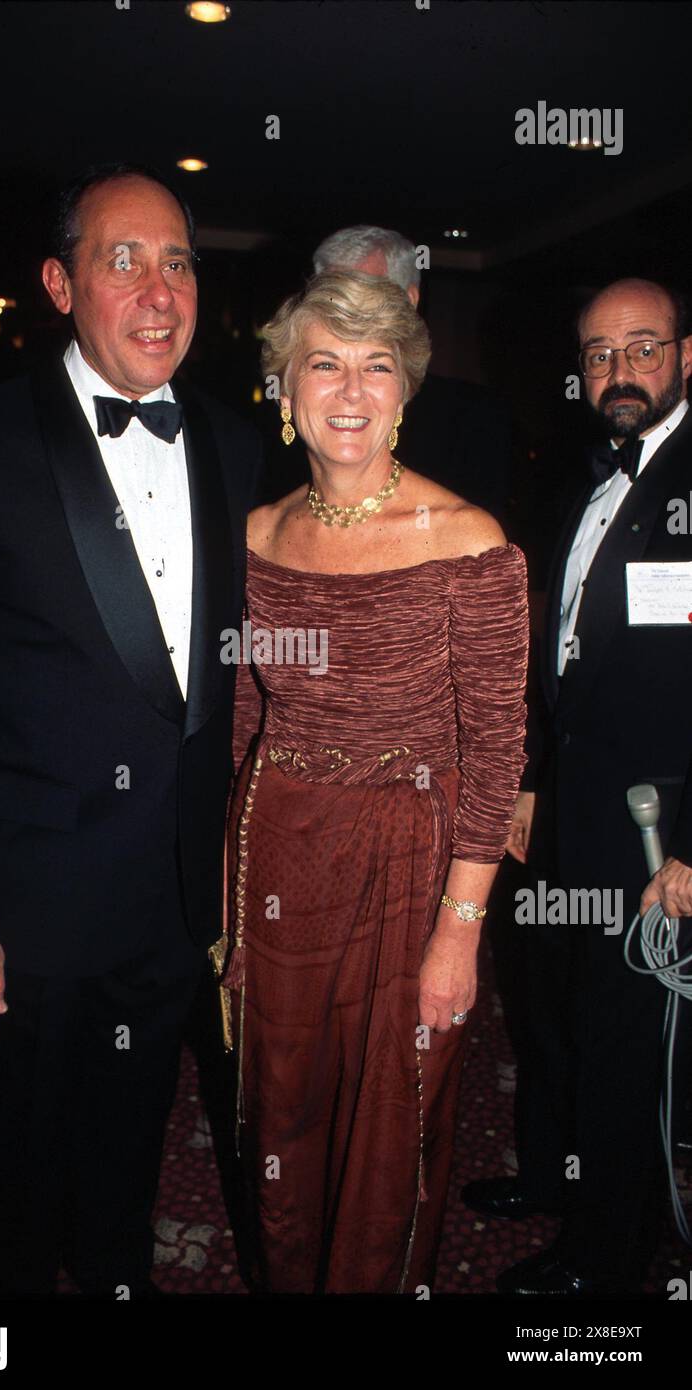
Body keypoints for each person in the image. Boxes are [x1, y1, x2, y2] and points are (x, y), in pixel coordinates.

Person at [0, 162, 263, 1298]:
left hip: (164, 916)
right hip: (17, 927)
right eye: (122, 260)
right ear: (58, 283)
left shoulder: (232, 450)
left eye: (178, 262)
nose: (158, 291)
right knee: (0, 1204)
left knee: (121, 1184)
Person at [213, 270, 528, 1293]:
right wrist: (228, 887)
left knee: (396, 1115)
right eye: (323, 363)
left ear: (405, 390)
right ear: (282, 384)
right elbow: (243, 721)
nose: (349, 390)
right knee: (281, 1103)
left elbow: (493, 750)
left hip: (408, 862)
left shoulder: (467, 541)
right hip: (280, 853)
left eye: (375, 366)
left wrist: (459, 929)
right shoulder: (255, 536)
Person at [465, 278, 692, 1297]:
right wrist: (527, 779)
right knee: (550, 1010)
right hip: (566, 809)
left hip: (655, 833)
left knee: (619, 1046)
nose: (616, 371)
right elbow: (558, 656)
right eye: (597, 353)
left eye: (640, 347)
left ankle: (605, 1254)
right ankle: (554, 1178)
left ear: (686, 356)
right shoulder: (577, 479)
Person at [309, 225, 512, 517]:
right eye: (329, 299)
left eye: (364, 298)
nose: (344, 316)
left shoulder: (474, 419)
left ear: (409, 301)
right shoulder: (297, 411)